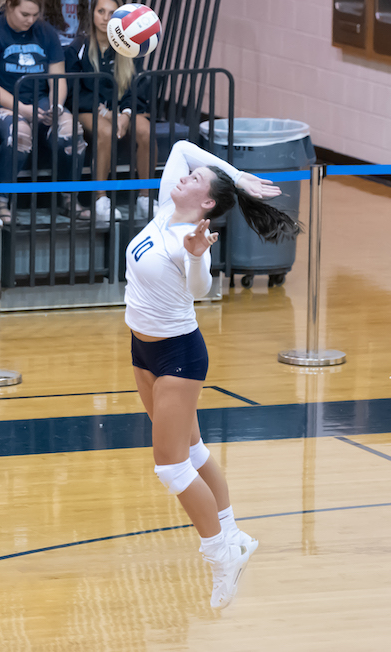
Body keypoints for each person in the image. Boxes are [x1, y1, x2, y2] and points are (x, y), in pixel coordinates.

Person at [125, 140, 297, 609]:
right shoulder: (167, 204)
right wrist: (238, 178)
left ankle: (221, 555)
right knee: (194, 450)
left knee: (171, 466)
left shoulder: (187, 239)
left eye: (197, 179)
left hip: (179, 355)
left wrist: (198, 254)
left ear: (204, 204)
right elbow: (183, 146)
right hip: (143, 348)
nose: (188, 173)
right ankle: (235, 532)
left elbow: (200, 291)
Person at [0, 0, 81, 219]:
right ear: (10, 7)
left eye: (34, 15)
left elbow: (58, 78)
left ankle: (69, 197)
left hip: (40, 100)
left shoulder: (46, 32)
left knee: (72, 131)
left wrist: (56, 106)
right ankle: (0, 200)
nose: (30, 20)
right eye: (24, 14)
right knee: (18, 132)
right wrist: (23, 110)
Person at [66, 0, 153, 222]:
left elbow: (134, 90)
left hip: (118, 111)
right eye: (100, 11)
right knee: (104, 131)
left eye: (112, 13)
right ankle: (99, 200)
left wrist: (125, 115)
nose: (105, 18)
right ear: (92, 14)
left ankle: (145, 198)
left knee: (145, 130)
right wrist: (103, 112)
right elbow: (73, 91)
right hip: (87, 109)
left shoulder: (129, 47)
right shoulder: (78, 47)